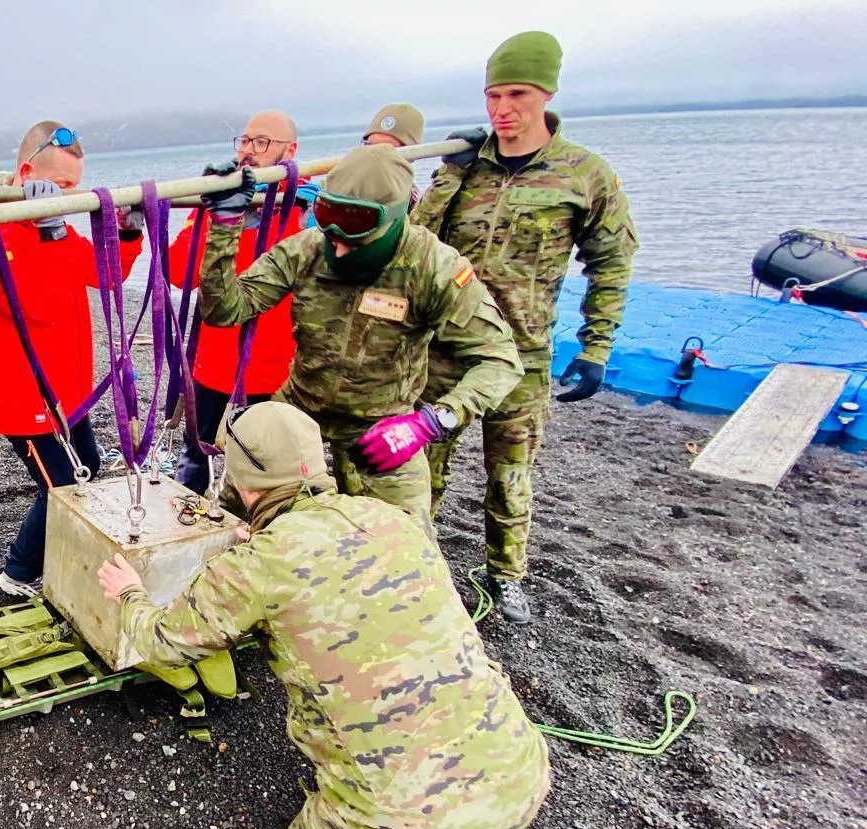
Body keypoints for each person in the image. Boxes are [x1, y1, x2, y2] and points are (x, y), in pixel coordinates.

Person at [97, 401, 550, 829]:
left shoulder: (261, 563)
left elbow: (162, 644)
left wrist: (129, 592)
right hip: (521, 775)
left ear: (245, 477)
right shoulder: (390, 517)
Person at [414, 31, 638, 623]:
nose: (502, 110)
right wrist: (448, 176)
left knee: (510, 473)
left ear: (547, 93)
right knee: (423, 467)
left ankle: (505, 574)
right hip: (444, 349)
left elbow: (611, 263)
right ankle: (416, 565)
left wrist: (597, 347)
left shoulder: (583, 173)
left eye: (516, 94)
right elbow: (413, 244)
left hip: (521, 355)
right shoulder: (462, 166)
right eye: (492, 95)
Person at [194, 144, 522, 528]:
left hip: (381, 420)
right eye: (330, 228)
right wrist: (226, 225)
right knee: (226, 519)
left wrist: (429, 423)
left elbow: (500, 360)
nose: (339, 246)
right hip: (300, 405)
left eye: (354, 236)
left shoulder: (434, 266)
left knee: (408, 545)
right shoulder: (308, 250)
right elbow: (225, 310)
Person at [0, 121, 144, 598]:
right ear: (28, 173)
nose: (69, 198)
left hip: (68, 392)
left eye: (74, 188)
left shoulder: (58, 229)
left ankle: (53, 556)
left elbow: (103, 274)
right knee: (62, 489)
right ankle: (19, 572)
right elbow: (31, 304)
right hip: (25, 396)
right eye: (63, 188)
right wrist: (50, 233)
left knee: (87, 466)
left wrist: (127, 232)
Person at [169, 110, 305, 497]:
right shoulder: (221, 199)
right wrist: (221, 217)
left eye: (261, 143)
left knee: (271, 472)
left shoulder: (305, 207)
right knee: (196, 459)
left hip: (277, 372)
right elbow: (180, 272)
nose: (248, 151)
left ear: (290, 150)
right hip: (213, 363)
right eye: (244, 141)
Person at [361, 103, 425, 208]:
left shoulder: (413, 203)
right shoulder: (337, 190)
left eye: (389, 150)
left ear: (410, 158)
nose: (376, 156)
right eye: (370, 146)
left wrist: (452, 174)